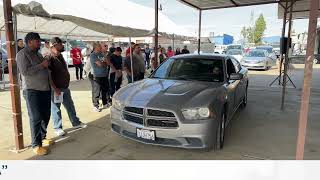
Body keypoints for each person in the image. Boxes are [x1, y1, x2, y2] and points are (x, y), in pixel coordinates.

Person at [16, 32, 52, 156]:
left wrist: (46, 62)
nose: (39, 43)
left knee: (46, 115)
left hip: (45, 89)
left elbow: (45, 68)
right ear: (30, 41)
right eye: (37, 41)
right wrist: (42, 65)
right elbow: (25, 72)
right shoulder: (22, 54)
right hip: (32, 90)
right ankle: (36, 145)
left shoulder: (38, 54)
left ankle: (42, 137)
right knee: (36, 117)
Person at [46, 37, 87, 137]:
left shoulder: (59, 55)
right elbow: (48, 75)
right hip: (57, 89)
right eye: (61, 44)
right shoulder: (49, 57)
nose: (63, 45)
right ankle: (58, 128)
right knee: (56, 109)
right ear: (54, 45)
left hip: (65, 87)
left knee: (70, 106)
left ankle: (75, 122)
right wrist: (55, 89)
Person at [90, 42, 109, 112]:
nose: (101, 47)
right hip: (97, 76)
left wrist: (104, 57)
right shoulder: (93, 55)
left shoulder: (102, 54)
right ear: (95, 47)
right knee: (96, 91)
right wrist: (104, 63)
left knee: (105, 90)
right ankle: (95, 105)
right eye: (99, 46)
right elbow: (100, 64)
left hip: (104, 74)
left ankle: (105, 103)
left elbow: (108, 63)